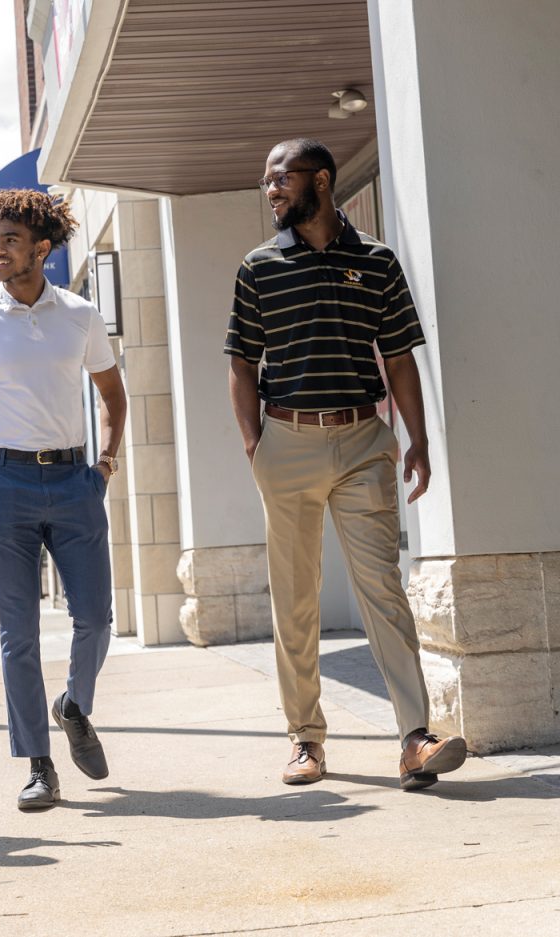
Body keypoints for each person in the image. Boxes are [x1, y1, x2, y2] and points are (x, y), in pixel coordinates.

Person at [225, 139, 466, 791]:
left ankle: (416, 738)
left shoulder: (379, 262)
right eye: (267, 181)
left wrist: (416, 437)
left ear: (322, 181)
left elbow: (400, 358)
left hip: (364, 439)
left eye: (282, 179)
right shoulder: (259, 268)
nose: (272, 190)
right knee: (296, 599)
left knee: (383, 590)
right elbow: (242, 364)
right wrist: (256, 446)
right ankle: (305, 739)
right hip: (287, 442)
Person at [0, 188, 127, 811]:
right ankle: (40, 765)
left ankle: (74, 704)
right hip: (6, 485)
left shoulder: (79, 315)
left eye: (8, 241)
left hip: (75, 482)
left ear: (41, 249)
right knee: (16, 636)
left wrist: (104, 462)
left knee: (96, 619)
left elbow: (113, 393)